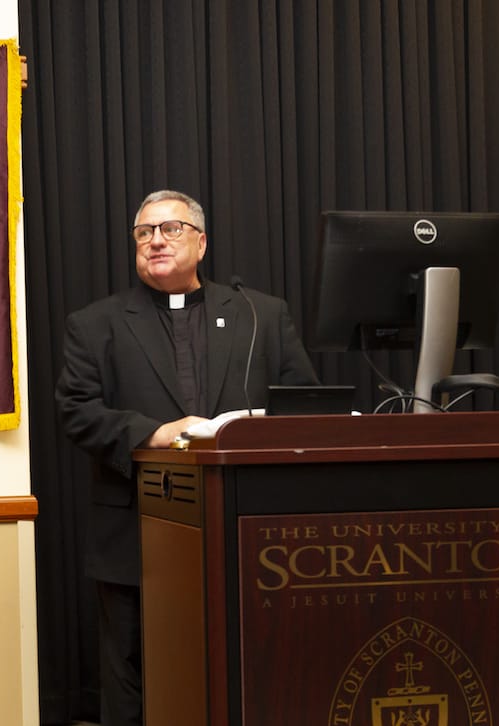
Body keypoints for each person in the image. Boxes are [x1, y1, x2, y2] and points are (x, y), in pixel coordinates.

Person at [55, 189, 318, 725]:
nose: (155, 240)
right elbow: (76, 411)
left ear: (200, 242)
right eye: (144, 232)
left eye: (170, 229)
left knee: (248, 666)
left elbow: (306, 407)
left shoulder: (259, 315)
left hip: (250, 535)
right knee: (132, 675)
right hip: (135, 528)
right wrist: (153, 432)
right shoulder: (96, 323)